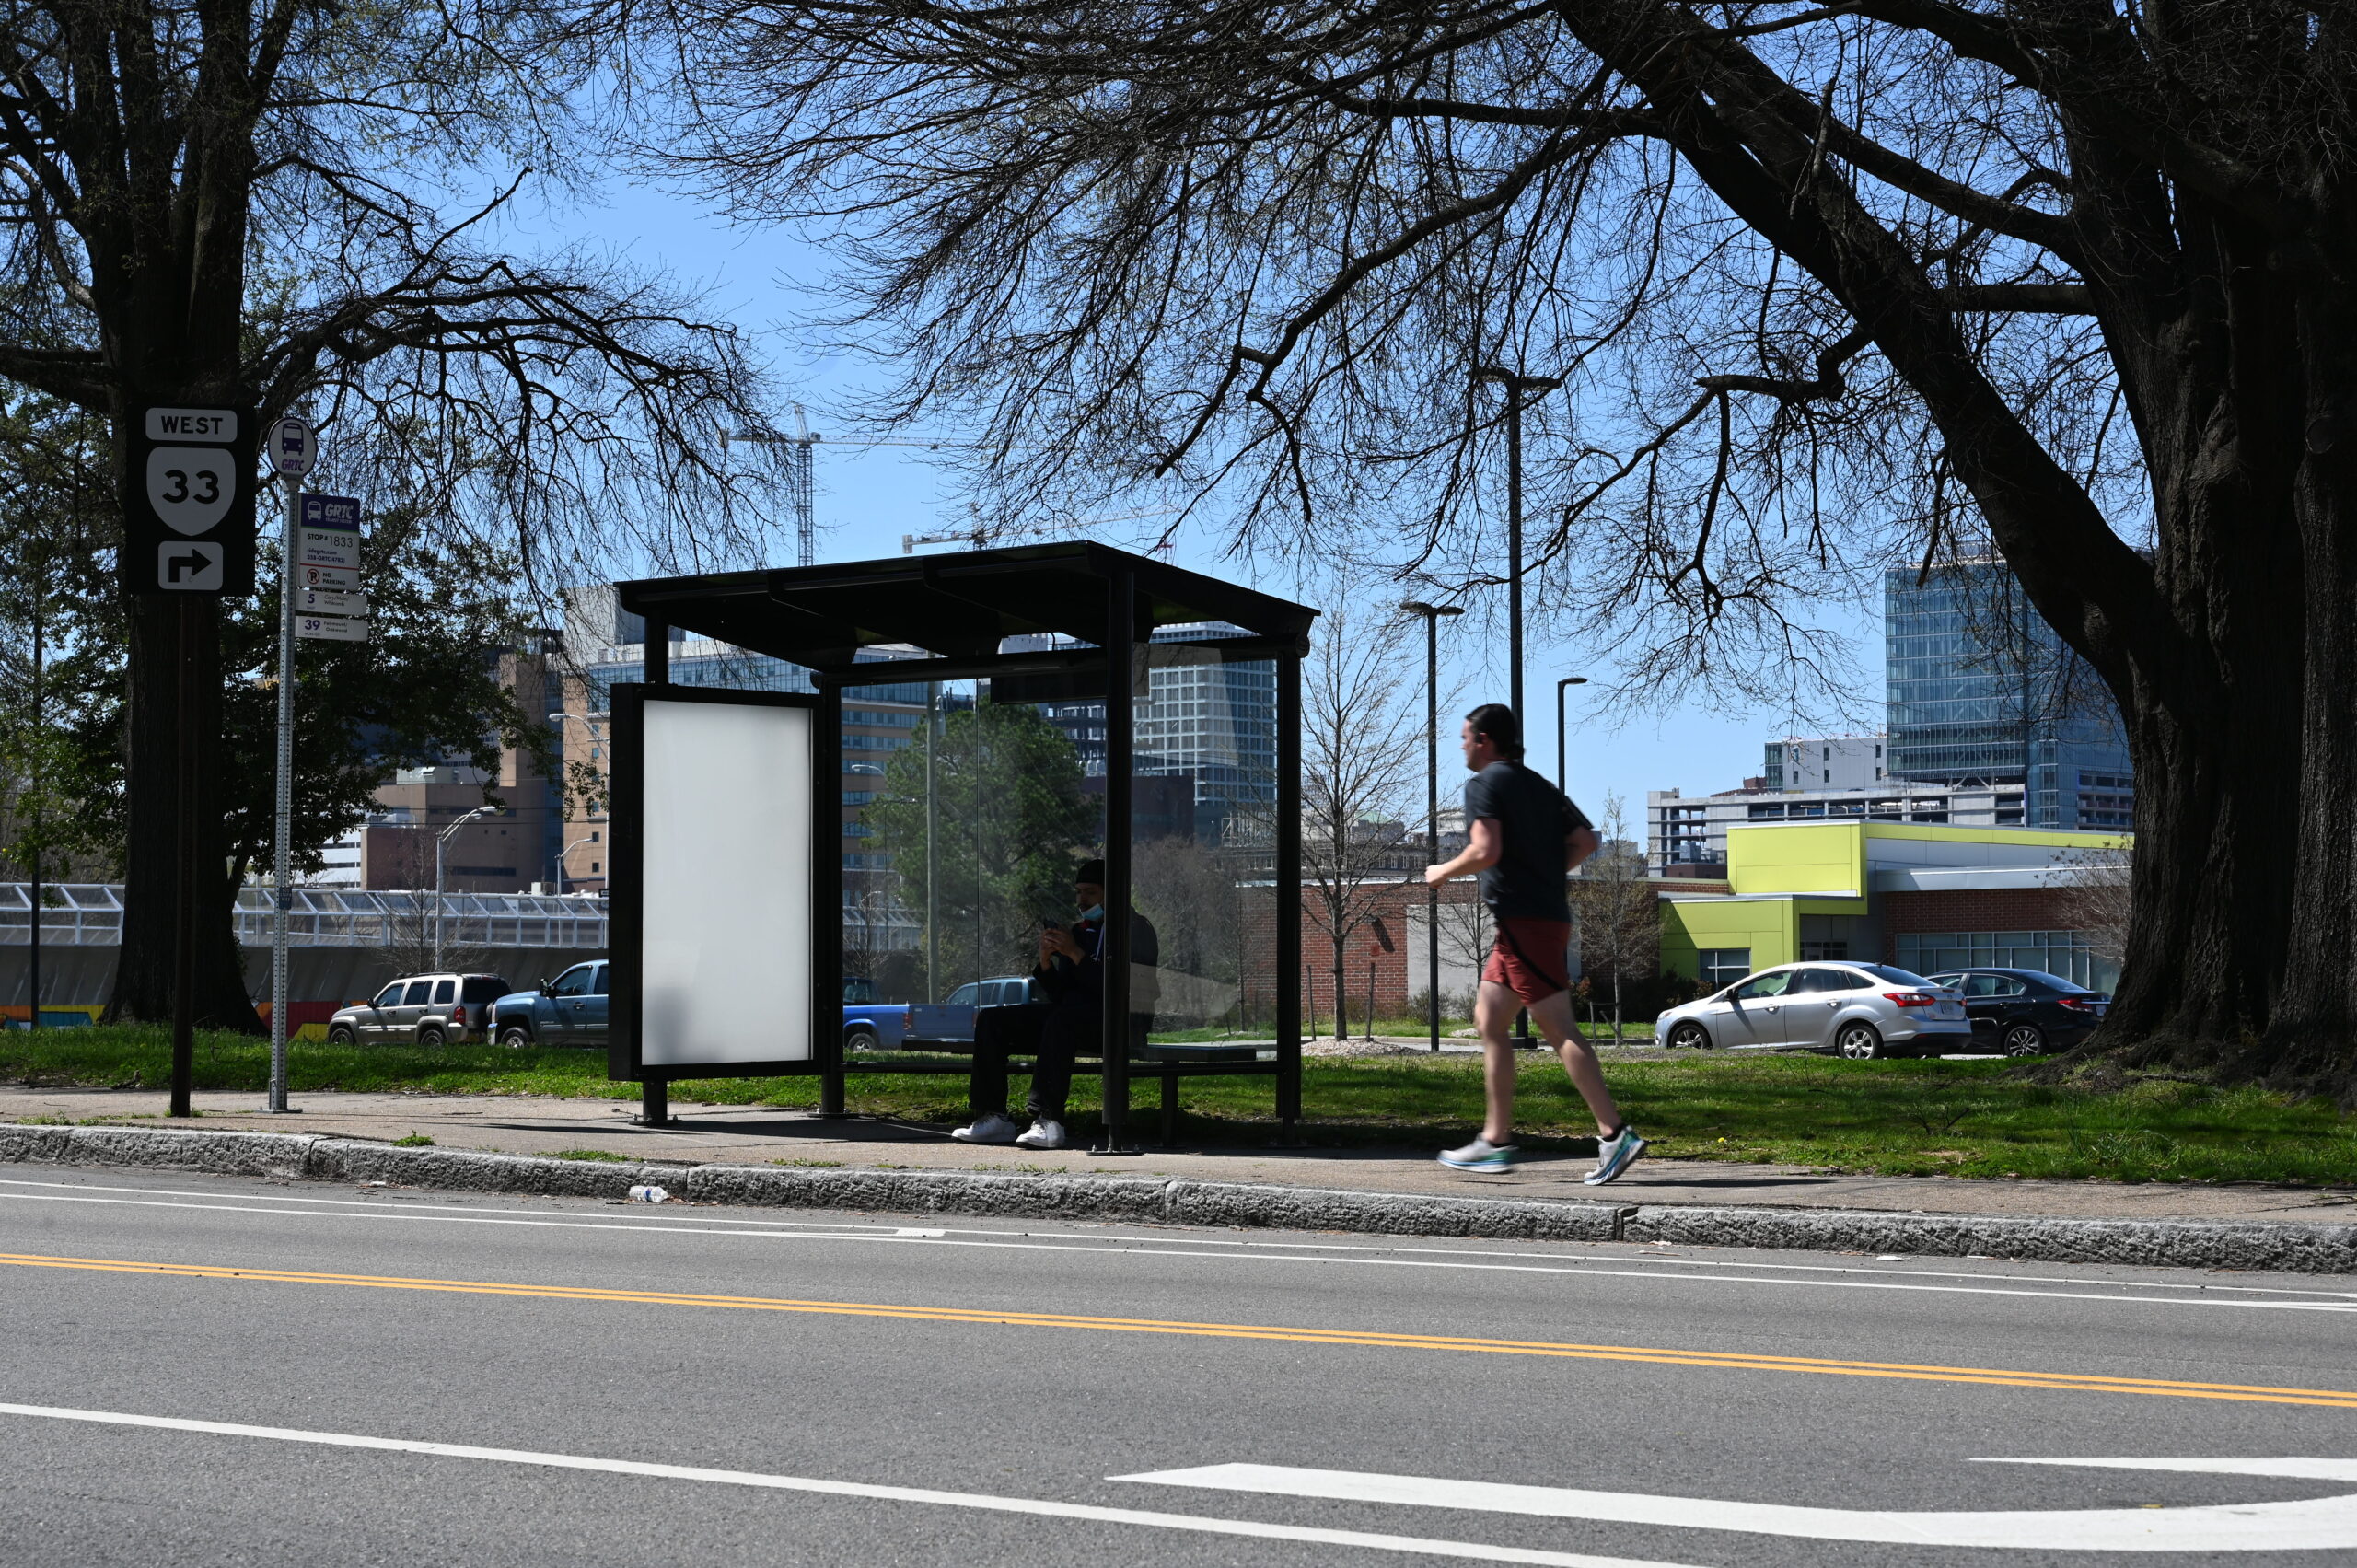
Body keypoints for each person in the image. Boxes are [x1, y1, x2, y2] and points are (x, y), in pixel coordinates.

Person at [1423, 703, 1646, 1182]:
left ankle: (1614, 1133)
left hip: (1527, 923)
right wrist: (1543, 875)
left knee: (1558, 1028)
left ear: (1485, 740)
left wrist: (1441, 871)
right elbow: (1586, 841)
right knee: (1489, 1020)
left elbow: (1486, 850)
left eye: (1466, 736)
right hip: (1529, 922)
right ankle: (1495, 1140)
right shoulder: (1540, 786)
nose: (1461, 744)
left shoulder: (1484, 784)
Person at [950, 859, 1159, 1151]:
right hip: (1075, 1017)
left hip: (1120, 1021)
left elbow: (1123, 990)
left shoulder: (1136, 930)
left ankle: (1049, 1119)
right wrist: (1046, 962)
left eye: (1091, 893)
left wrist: (1075, 954)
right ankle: (994, 1116)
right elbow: (1062, 994)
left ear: (1112, 894)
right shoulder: (1081, 931)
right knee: (992, 1021)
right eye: (1078, 892)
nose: (1082, 901)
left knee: (1062, 1020)